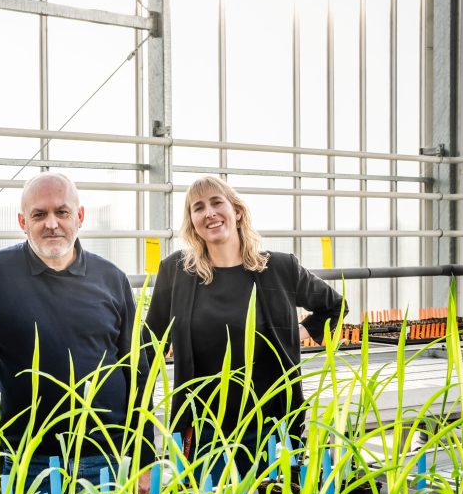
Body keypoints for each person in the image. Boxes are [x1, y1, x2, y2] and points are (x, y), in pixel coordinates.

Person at [0, 172, 153, 494]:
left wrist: (144, 458)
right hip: (30, 463)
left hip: (105, 459)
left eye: (61, 212)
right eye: (39, 214)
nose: (51, 223)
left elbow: (138, 371)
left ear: (79, 217)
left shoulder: (110, 278)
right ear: (23, 221)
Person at [145, 175, 345, 474]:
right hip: (202, 434)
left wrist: (298, 332)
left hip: (270, 431)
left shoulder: (278, 268)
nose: (209, 212)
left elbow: (335, 306)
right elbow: (147, 348)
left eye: (216, 202)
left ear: (236, 211)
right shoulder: (177, 272)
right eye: (198, 208)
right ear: (192, 221)